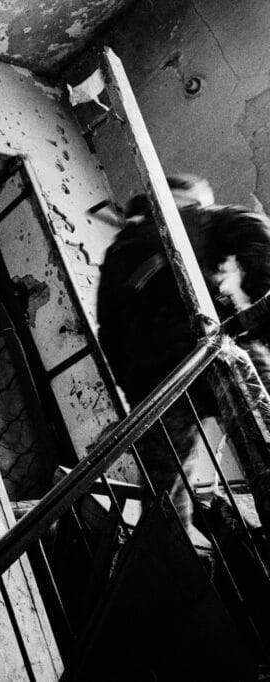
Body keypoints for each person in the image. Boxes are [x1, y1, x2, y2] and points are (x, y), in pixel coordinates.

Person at [97, 174, 270, 543]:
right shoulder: (194, 217)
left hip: (160, 386)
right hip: (217, 349)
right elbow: (253, 231)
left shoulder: (117, 254)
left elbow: (107, 333)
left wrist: (136, 393)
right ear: (184, 197)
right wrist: (256, 315)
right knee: (264, 442)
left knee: (166, 491)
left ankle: (179, 559)